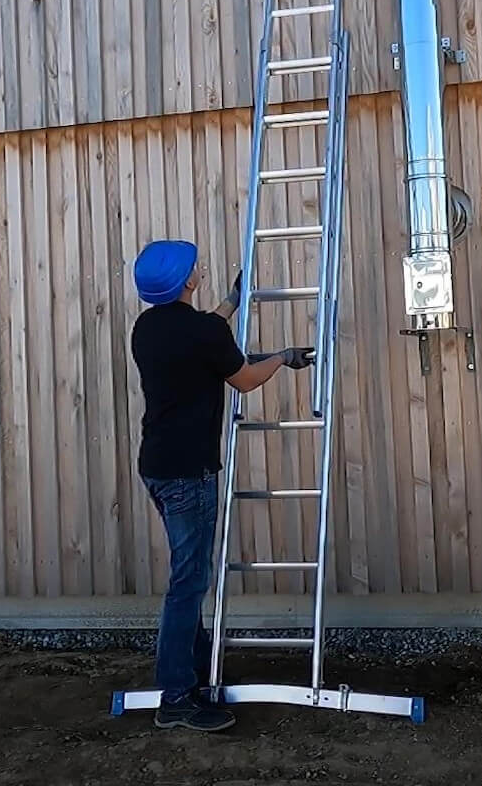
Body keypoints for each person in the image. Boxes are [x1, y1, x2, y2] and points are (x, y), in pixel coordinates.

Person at [130, 239, 314, 732]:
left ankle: (193, 671)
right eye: (195, 267)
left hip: (157, 466)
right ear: (188, 280)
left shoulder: (146, 327)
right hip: (189, 472)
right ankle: (176, 697)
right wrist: (283, 356)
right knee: (187, 583)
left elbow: (204, 337)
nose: (200, 268)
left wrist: (233, 301)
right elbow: (246, 378)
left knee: (185, 575)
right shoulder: (204, 332)